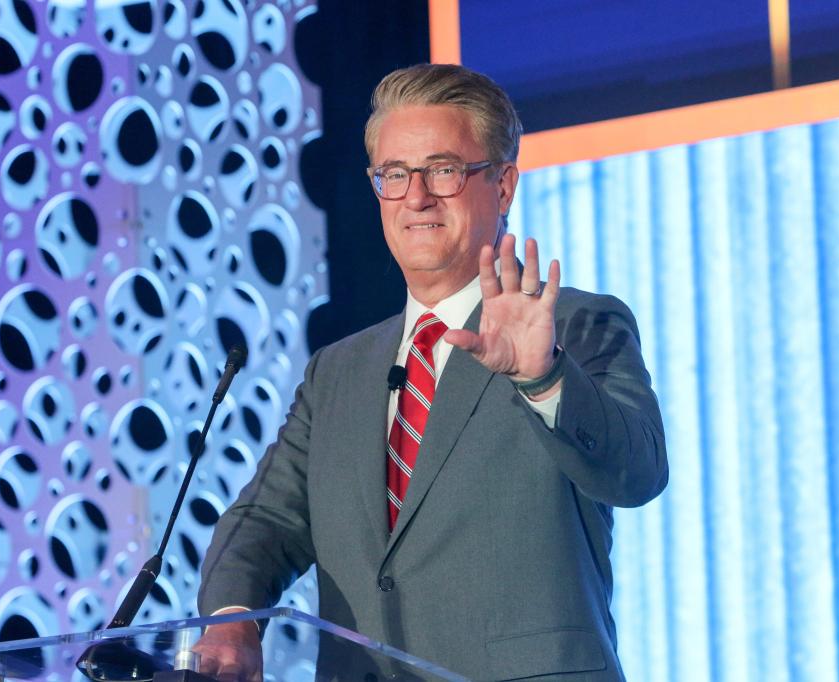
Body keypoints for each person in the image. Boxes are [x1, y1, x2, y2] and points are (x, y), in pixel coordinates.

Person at [194, 63, 668, 681]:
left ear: (502, 186)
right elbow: (266, 520)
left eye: (442, 170)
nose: (416, 196)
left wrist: (543, 377)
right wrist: (234, 620)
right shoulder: (336, 373)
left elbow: (637, 474)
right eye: (394, 175)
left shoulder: (574, 326)